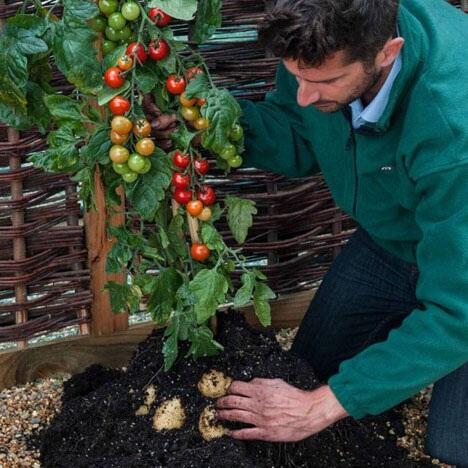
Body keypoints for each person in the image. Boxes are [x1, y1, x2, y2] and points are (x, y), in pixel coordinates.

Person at [152, 0, 468, 465]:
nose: (303, 95)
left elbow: (459, 308)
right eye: (295, 77)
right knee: (307, 372)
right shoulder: (319, 35)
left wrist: (321, 407)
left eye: (322, 83)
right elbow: (300, 137)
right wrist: (203, 125)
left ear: (387, 52)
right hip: (393, 239)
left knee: (452, 446)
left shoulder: (450, 124)